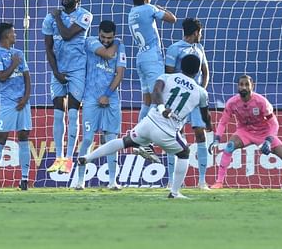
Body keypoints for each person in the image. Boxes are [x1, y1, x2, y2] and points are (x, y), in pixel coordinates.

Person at [78, 54, 212, 199]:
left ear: (181, 66)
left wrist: (161, 108)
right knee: (184, 153)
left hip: (149, 122)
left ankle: (88, 157)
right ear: (198, 71)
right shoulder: (201, 92)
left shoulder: (166, 77)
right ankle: (174, 192)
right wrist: (209, 125)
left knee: (124, 141)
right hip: (167, 132)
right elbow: (205, 115)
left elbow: (156, 92)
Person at [208, 75, 282, 189]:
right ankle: (219, 182)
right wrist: (217, 139)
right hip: (245, 132)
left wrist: (268, 140)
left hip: (264, 133)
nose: (243, 87)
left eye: (246, 84)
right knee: (229, 146)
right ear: (237, 87)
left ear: (252, 86)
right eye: (241, 84)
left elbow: (274, 124)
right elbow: (223, 122)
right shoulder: (232, 102)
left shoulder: (261, 102)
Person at [42, 0, 93, 174]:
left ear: (78, 0)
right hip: (58, 70)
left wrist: (57, 16)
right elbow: (48, 47)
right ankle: (58, 158)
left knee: (72, 113)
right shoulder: (49, 18)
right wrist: (55, 71)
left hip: (77, 70)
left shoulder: (85, 15)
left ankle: (70, 159)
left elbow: (67, 34)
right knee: (57, 114)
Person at [75, 21, 126, 190]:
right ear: (98, 33)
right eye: (103, 37)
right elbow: (107, 55)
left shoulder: (121, 46)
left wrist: (108, 95)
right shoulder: (90, 41)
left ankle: (112, 181)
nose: (105, 40)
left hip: (111, 100)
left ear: (114, 35)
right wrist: (116, 43)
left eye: (110, 38)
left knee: (111, 140)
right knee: (88, 139)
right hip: (90, 99)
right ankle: (80, 180)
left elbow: (120, 73)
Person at [165, 18, 210, 190]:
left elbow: (205, 72)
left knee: (200, 134)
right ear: (196, 33)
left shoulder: (199, 48)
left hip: (196, 99)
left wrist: (200, 92)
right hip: (179, 100)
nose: (201, 35)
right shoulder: (174, 49)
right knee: (175, 136)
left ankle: (202, 181)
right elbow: (168, 76)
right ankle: (172, 180)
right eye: (201, 32)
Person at [0, 22, 31, 191]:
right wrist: (13, 64)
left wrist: (26, 98)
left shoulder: (19, 53)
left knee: (24, 136)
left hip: (23, 102)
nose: (16, 35)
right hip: (7, 102)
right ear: (6, 35)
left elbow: (27, 76)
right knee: (2, 138)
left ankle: (25, 180)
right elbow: (2, 77)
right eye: (13, 32)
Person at [128, 0, 177, 122]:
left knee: (147, 101)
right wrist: (159, 8)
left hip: (141, 58)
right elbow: (173, 19)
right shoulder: (149, 8)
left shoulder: (131, 13)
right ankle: (145, 136)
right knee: (157, 99)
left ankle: (138, 139)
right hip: (152, 58)